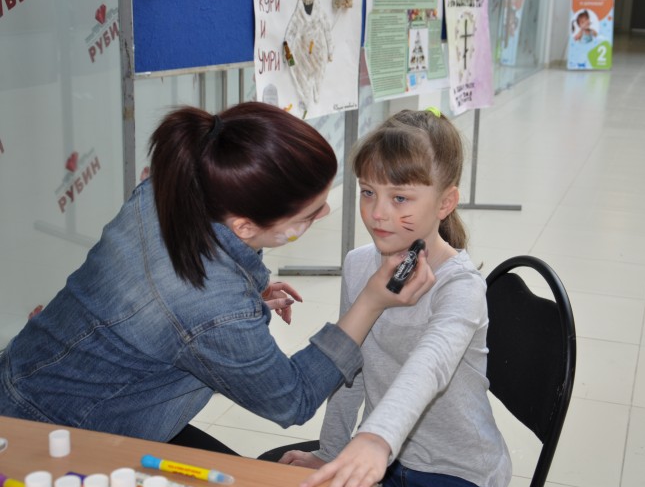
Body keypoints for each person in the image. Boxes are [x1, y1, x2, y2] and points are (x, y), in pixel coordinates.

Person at [0, 102, 434, 451]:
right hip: (51, 439)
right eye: (308, 215)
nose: (325, 214)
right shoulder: (212, 307)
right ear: (244, 226)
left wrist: (242, 299)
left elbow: (162, 308)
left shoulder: (170, 190)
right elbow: (292, 398)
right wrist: (370, 301)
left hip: (26, 382)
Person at [278, 108, 512, 487]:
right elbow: (349, 370)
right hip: (381, 460)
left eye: (400, 198)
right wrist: (330, 451)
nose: (377, 213)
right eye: (368, 191)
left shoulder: (460, 286)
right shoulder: (358, 265)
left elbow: (430, 365)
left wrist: (376, 437)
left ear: (445, 203)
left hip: (456, 472)